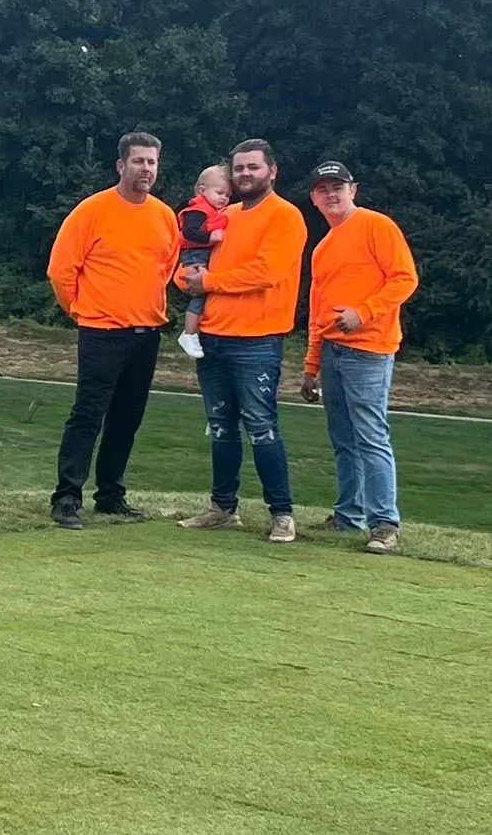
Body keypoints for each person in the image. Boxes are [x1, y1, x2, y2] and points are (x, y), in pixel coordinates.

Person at [46, 131, 179, 530]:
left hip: (147, 332)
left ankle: (110, 495)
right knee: (88, 414)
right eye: (138, 161)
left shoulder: (164, 216)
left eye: (152, 162)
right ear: (121, 165)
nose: (146, 169)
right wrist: (81, 311)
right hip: (101, 331)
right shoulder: (93, 211)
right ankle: (67, 497)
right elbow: (61, 270)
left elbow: (166, 268)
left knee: (127, 417)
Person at [176, 139, 307, 543]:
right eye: (239, 168)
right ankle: (222, 508)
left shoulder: (286, 216)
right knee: (220, 426)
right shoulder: (225, 214)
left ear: (272, 170)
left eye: (253, 167)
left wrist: (209, 281)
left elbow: (265, 272)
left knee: (262, 426)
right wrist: (185, 279)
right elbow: (190, 258)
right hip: (212, 336)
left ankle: (282, 513)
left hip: (256, 339)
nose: (245, 174)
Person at [299, 161, 419, 556]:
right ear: (314, 199)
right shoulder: (322, 248)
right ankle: (348, 513)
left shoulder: (377, 225)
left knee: (370, 436)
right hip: (332, 350)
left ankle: (384, 522)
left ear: (354, 189)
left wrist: (363, 312)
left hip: (369, 349)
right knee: (343, 439)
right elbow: (317, 312)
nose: (331, 194)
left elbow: (404, 278)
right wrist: (311, 366)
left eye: (338, 186)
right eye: (323, 189)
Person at [176, 164, 231, 359]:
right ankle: (189, 334)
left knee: (205, 296)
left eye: (227, 195)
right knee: (199, 296)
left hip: (201, 255)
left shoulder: (214, 211)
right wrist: (210, 237)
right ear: (202, 190)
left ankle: (194, 332)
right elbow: (188, 233)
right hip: (195, 256)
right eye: (220, 192)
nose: (224, 198)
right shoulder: (197, 210)